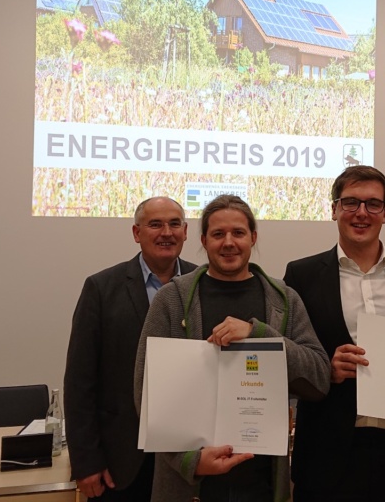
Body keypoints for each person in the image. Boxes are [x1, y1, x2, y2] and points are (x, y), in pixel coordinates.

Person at [134, 194, 330, 502]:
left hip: (261, 486)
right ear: (203, 240)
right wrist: (190, 461)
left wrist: (259, 334)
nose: (228, 242)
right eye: (218, 234)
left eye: (238, 232)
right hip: (189, 486)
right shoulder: (171, 299)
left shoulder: (284, 300)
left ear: (253, 237)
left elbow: (319, 378)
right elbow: (145, 393)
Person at [284, 166, 385, 502]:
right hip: (328, 453)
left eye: (373, 204)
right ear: (334, 209)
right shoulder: (301, 274)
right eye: (351, 202)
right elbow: (292, 358)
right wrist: (326, 369)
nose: (362, 213)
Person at [64, 197, 197, 501]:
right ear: (137, 233)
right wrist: (86, 461)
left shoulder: (203, 283)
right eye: (155, 224)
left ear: (186, 231)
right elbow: (80, 381)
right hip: (120, 462)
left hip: (188, 455)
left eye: (174, 224)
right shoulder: (101, 288)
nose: (166, 233)